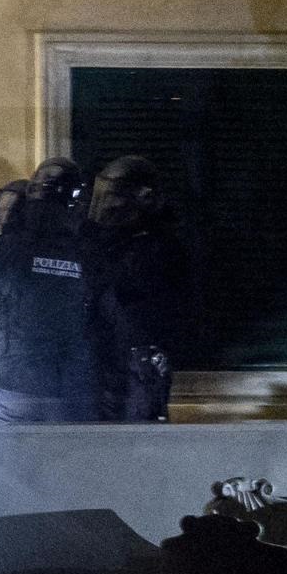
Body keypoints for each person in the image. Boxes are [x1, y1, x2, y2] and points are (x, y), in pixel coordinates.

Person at [0, 160, 95, 424]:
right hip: (73, 387)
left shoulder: (3, 249)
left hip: (15, 384)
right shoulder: (89, 252)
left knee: (13, 462)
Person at [86, 156, 194, 423]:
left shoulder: (160, 246)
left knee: (139, 443)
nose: (107, 205)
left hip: (140, 363)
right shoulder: (107, 241)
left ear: (142, 198)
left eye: (114, 197)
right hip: (107, 359)